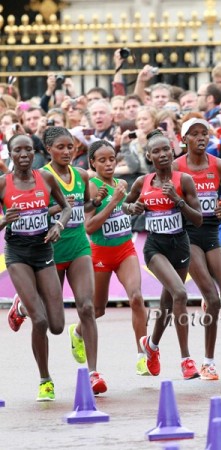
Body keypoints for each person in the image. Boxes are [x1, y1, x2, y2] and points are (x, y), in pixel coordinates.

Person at [8, 127, 108, 395]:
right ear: (49, 150)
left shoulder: (81, 175)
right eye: (60, 147)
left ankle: (93, 373)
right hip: (42, 252)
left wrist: (93, 204)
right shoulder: (41, 176)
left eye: (70, 147)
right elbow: (44, 207)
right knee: (46, 322)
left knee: (85, 308)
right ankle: (24, 306)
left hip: (75, 247)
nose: (66, 152)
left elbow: (79, 207)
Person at [123, 129, 203, 380]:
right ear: (149, 156)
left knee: (168, 305)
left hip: (180, 246)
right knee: (180, 293)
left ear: (173, 151)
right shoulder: (142, 182)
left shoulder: (184, 180)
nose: (162, 154)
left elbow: (199, 219)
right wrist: (133, 207)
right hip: (155, 248)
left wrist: (177, 200)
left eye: (166, 149)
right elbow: (125, 205)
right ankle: (186, 359)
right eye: (156, 151)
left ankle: (152, 346)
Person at [0, 133, 72, 401]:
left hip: (43, 250)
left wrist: (59, 225)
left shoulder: (46, 178)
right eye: (18, 150)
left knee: (56, 325)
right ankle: (45, 380)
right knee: (39, 320)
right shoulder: (3, 184)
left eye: (28, 150)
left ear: (35, 152)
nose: (23, 155)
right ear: (10, 154)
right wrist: (4, 220)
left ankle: (20, 305)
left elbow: (66, 208)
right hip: (17, 253)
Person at [174, 117, 221, 379]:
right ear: (184, 139)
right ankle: (208, 362)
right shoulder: (176, 166)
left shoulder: (219, 165)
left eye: (205, 133)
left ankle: (206, 299)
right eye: (195, 134)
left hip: (212, 232)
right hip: (188, 234)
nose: (201, 137)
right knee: (214, 299)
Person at [84, 139, 149, 376]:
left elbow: (125, 210)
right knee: (98, 310)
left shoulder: (122, 183)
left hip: (124, 250)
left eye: (112, 159)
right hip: (100, 253)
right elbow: (89, 227)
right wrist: (112, 201)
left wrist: (134, 207)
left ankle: (143, 355)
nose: (109, 164)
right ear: (93, 163)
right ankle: (78, 332)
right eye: (102, 161)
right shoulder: (91, 187)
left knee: (136, 297)